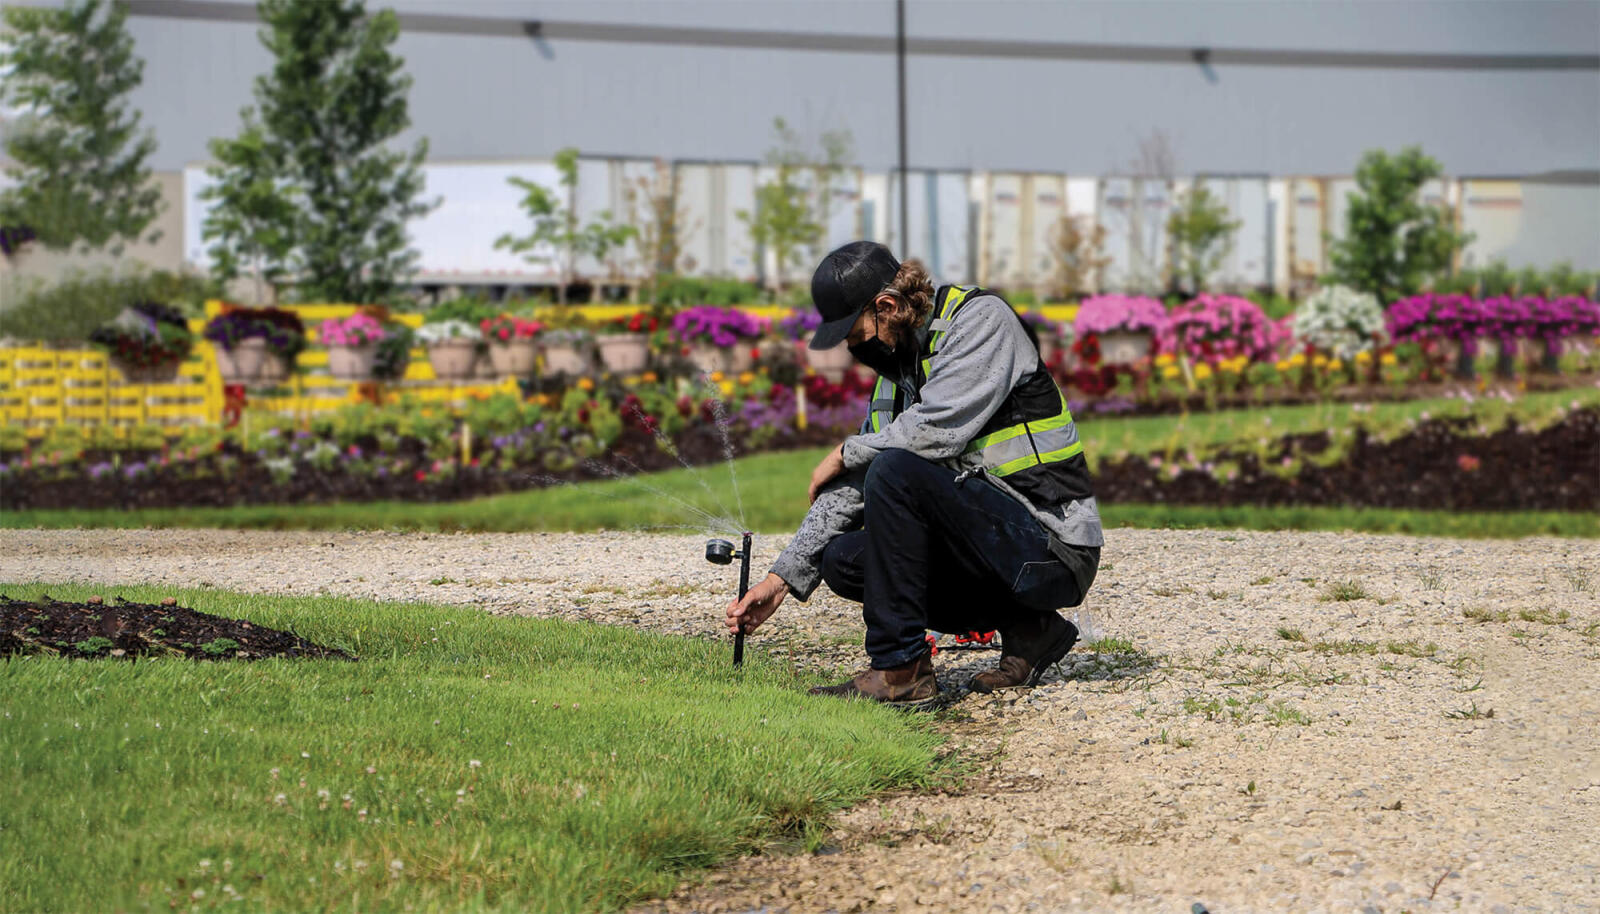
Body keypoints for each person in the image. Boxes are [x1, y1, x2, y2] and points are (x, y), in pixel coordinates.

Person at [725, 241, 1102, 706]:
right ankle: (1032, 629)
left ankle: (900, 670)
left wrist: (844, 451)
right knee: (843, 558)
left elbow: (933, 433)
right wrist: (780, 578)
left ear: (886, 306)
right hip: (994, 542)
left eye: (854, 332)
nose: (851, 346)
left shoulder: (980, 321)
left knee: (895, 470)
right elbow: (859, 483)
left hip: (1052, 545)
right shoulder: (895, 376)